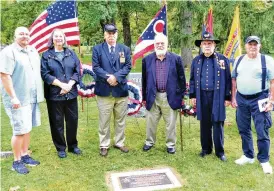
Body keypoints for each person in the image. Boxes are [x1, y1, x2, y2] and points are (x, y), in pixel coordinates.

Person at [0, 26, 44, 174]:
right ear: (15, 36)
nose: (24, 36)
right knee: (19, 130)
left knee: (27, 127)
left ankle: (25, 155)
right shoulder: (8, 52)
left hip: (31, 97)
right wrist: (13, 97)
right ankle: (16, 161)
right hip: (18, 99)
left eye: (27, 33)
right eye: (21, 34)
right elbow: (5, 76)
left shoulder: (32, 50)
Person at [231, 36, 274, 174]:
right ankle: (248, 155)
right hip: (242, 98)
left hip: (260, 98)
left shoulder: (267, 60)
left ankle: (264, 160)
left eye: (255, 44)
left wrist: (271, 101)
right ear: (246, 46)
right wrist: (233, 97)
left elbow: (273, 82)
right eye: (250, 44)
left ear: (259, 46)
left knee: (262, 129)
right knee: (243, 128)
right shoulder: (239, 59)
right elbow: (233, 79)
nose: (253, 47)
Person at [189, 31, 231, 161]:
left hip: (217, 95)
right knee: (205, 123)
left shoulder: (222, 60)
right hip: (202, 95)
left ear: (214, 45)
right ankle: (206, 149)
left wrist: (227, 97)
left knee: (217, 122)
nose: (207, 46)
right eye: (205, 44)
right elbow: (192, 80)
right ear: (201, 46)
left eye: (210, 43)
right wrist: (193, 95)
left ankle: (220, 152)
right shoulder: (196, 61)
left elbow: (228, 79)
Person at [142, 33, 186, 154]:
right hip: (153, 95)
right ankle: (149, 142)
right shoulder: (147, 59)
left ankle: (171, 144)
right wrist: (145, 97)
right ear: (154, 45)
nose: (160, 45)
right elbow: (144, 80)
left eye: (162, 43)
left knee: (170, 122)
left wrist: (181, 96)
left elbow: (182, 79)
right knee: (151, 121)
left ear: (167, 44)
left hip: (170, 95)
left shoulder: (176, 59)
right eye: (158, 43)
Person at [92, 24, 132, 156]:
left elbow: (127, 66)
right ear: (104, 35)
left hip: (120, 90)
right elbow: (96, 67)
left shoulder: (124, 49)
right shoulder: (97, 49)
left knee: (120, 119)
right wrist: (108, 77)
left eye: (113, 33)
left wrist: (116, 77)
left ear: (117, 34)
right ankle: (104, 144)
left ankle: (119, 142)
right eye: (108, 33)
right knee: (104, 120)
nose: (111, 36)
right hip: (104, 90)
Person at [41, 29, 81, 158]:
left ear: (64, 39)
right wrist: (61, 85)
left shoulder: (71, 53)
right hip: (54, 95)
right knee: (57, 122)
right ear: (52, 39)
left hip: (71, 93)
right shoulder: (46, 55)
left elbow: (77, 71)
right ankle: (61, 148)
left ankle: (73, 146)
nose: (58, 38)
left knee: (72, 121)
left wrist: (69, 85)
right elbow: (45, 74)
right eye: (56, 36)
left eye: (61, 36)